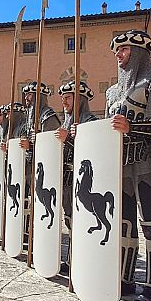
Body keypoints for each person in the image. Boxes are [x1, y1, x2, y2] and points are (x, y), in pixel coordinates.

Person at [107, 29, 151, 301]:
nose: (119, 54)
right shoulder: (112, 91)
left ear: (139, 53)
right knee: (124, 224)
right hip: (121, 162)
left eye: (124, 50)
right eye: (117, 50)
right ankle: (125, 278)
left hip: (147, 159)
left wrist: (132, 126)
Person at [56, 80, 97, 229]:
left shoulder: (91, 122)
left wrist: (69, 138)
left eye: (68, 98)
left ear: (79, 99)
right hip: (66, 179)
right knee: (69, 218)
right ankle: (71, 244)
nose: (64, 102)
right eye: (63, 98)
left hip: (82, 180)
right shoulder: (65, 123)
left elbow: (92, 152)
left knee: (83, 218)